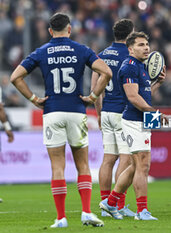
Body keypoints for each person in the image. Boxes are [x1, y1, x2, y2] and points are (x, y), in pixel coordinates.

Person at [10, 13, 112, 228]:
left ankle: (61, 218)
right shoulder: (81, 49)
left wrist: (33, 99)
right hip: (76, 111)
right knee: (82, 165)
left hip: (52, 111)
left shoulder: (41, 51)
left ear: (49, 31)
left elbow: (15, 77)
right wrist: (93, 97)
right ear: (69, 29)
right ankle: (86, 212)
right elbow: (106, 72)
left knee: (57, 167)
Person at [99, 31, 166, 221]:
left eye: (147, 44)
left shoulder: (140, 66)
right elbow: (132, 97)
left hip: (142, 118)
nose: (146, 48)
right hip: (134, 119)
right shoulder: (129, 66)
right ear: (130, 49)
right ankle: (141, 211)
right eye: (140, 45)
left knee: (137, 165)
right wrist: (154, 112)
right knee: (142, 165)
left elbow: (143, 94)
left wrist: (158, 83)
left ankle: (110, 202)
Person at [91, 19, 135, 218]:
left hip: (107, 111)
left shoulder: (102, 55)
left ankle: (104, 200)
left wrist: (99, 113)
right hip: (123, 113)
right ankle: (116, 204)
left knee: (108, 159)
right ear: (131, 34)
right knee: (126, 160)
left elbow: (95, 87)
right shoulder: (130, 55)